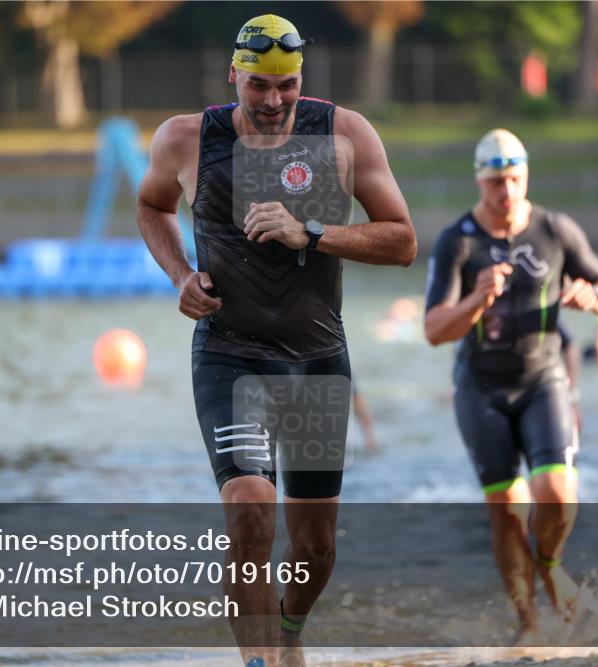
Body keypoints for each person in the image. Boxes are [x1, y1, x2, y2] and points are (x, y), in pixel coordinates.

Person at [137, 14, 416, 667]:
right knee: (251, 514)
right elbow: (152, 206)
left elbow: (402, 240)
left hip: (317, 359)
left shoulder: (343, 134)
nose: (271, 101)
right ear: (233, 75)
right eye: (257, 85)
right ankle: (258, 661)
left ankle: (289, 631)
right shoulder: (185, 140)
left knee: (316, 547)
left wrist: (310, 230)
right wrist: (180, 274)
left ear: (301, 80)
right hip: (230, 355)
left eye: (285, 86)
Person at [423, 128, 598, 644]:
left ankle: (552, 566)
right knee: (508, 512)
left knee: (556, 493)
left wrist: (592, 298)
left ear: (526, 177)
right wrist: (475, 301)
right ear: (479, 180)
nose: (505, 192)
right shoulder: (459, 241)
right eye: (494, 182)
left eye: (513, 179)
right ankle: (530, 625)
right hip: (481, 386)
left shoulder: (555, 229)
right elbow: (433, 330)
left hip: (543, 379)